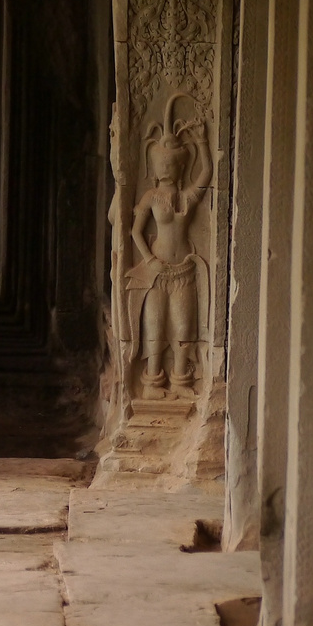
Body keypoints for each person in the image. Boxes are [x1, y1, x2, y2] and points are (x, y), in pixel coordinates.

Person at [126, 94, 211, 398]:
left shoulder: (187, 197)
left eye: (172, 166)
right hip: (157, 272)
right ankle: (150, 384)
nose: (167, 171)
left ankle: (182, 381)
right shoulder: (150, 197)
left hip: (184, 271)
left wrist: (202, 142)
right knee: (154, 329)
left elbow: (204, 176)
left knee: (184, 328)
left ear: (179, 166)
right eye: (163, 165)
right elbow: (135, 232)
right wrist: (149, 260)